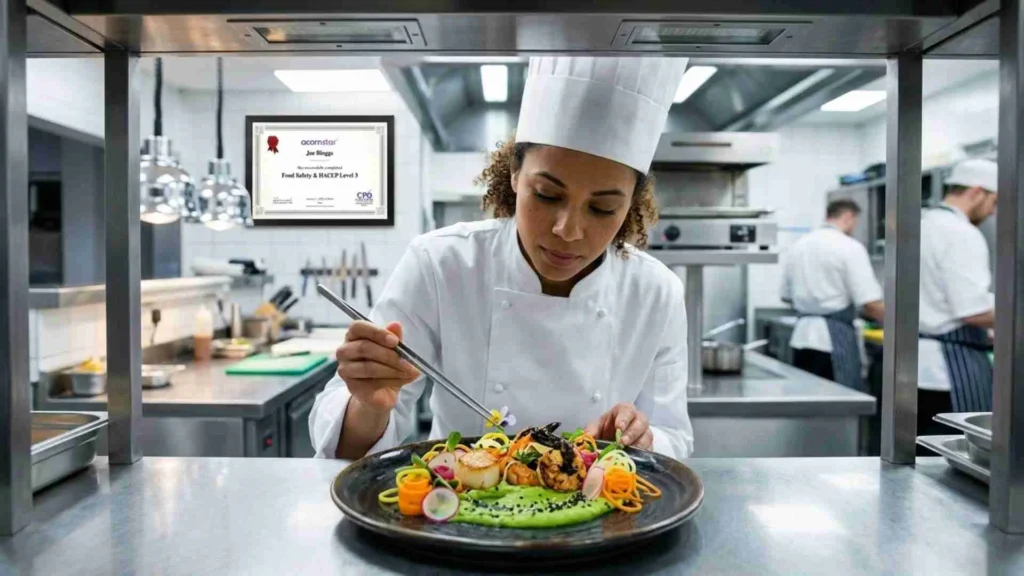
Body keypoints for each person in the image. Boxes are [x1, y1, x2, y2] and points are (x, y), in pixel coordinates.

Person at [309, 57, 694, 460]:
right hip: (460, 511)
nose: (568, 230)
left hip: (602, 518)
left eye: (602, 209)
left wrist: (642, 438)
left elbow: (673, 439)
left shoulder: (656, 292)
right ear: (514, 174)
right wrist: (370, 405)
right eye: (547, 195)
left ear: (632, 203)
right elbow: (345, 448)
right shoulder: (440, 264)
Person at [918, 158, 997, 434]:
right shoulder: (962, 233)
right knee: (956, 455)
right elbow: (973, 310)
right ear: (976, 192)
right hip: (949, 369)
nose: (991, 212)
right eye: (993, 202)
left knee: (922, 459)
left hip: (916, 365)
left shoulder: (922, 224)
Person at [780, 199, 884, 390]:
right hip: (833, 341)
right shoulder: (850, 247)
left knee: (808, 404)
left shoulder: (798, 246)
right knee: (839, 408)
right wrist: (902, 328)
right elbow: (870, 303)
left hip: (801, 337)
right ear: (848, 217)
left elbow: (786, 296)